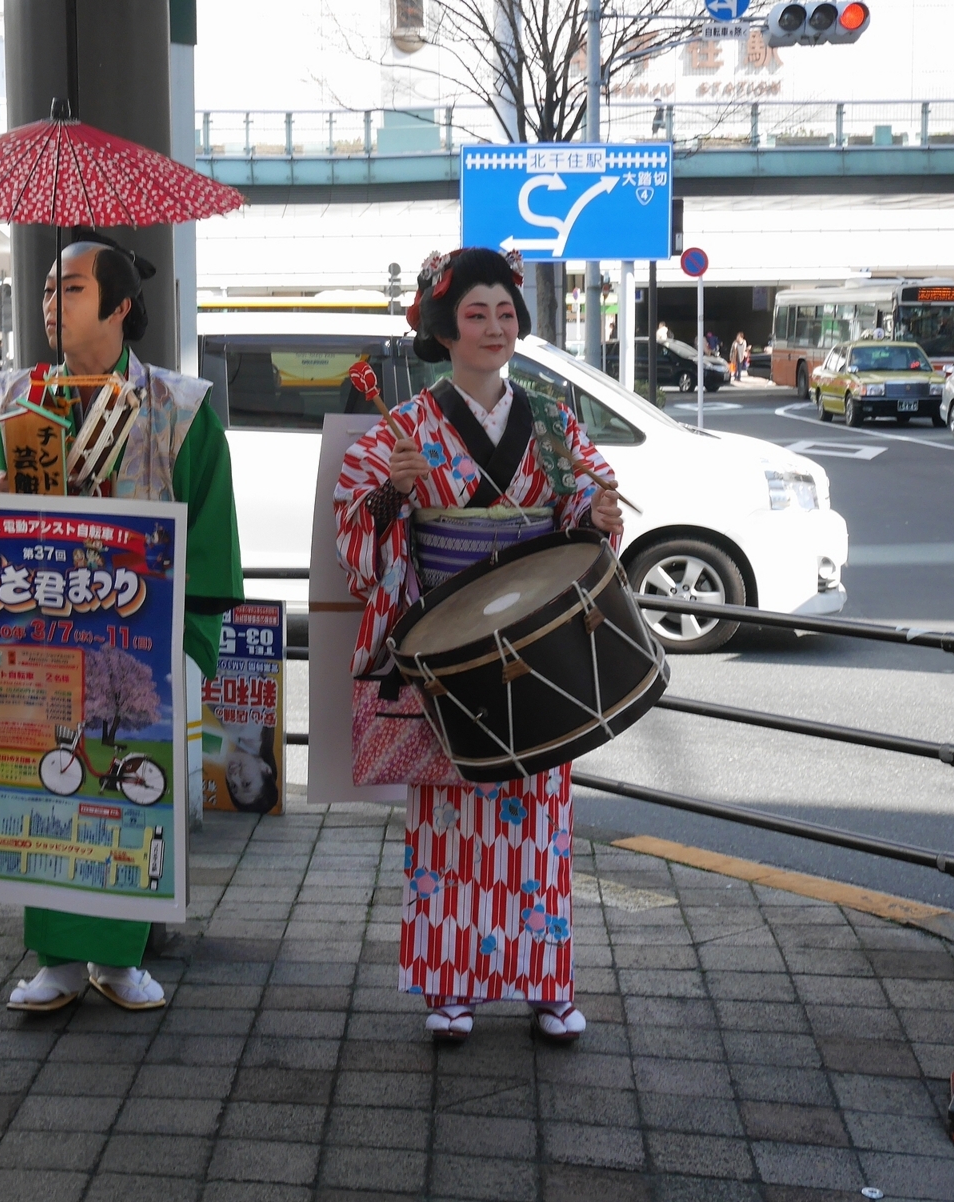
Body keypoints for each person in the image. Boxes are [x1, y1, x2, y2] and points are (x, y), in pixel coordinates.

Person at [335, 247, 623, 1045]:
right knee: (450, 814)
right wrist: (394, 490)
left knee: (540, 818)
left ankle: (547, 983)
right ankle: (450, 984)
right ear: (443, 327)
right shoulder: (404, 428)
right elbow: (357, 534)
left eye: (505, 313)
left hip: (534, 640)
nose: (494, 328)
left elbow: (588, 505)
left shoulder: (554, 420)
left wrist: (597, 517)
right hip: (451, 645)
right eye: (475, 314)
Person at [0, 230, 243, 1012]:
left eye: (74, 289)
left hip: (145, 627)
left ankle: (119, 958)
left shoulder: (180, 406)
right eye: (49, 290)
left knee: (131, 784)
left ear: (121, 304)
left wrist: (192, 634)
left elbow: (211, 524)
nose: (53, 303)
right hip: (46, 627)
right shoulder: (19, 398)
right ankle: (57, 955)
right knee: (51, 784)